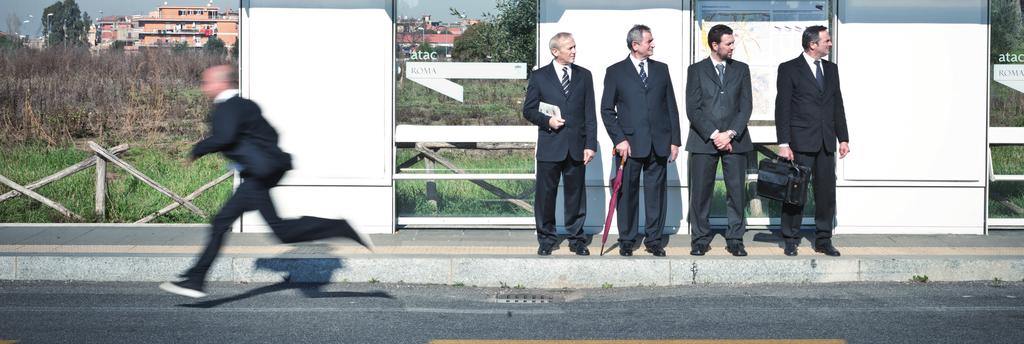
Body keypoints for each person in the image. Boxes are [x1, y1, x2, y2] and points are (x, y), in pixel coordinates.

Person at [160, 65, 374, 298]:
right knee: (226, 223)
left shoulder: (226, 107)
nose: (204, 88)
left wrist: (197, 150)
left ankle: (339, 226)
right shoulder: (247, 105)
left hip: (256, 177)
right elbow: (272, 134)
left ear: (221, 83)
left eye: (207, 83)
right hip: (261, 173)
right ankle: (196, 279)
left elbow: (225, 137)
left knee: (274, 230)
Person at [600, 24, 681, 257]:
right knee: (628, 193)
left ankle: (654, 240)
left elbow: (671, 107)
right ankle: (627, 239)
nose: (653, 44)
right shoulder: (615, 71)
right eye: (649, 41)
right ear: (636, 45)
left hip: (659, 143)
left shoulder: (661, 69)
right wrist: (619, 140)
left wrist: (674, 141)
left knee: (656, 194)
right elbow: (607, 110)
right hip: (630, 146)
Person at [774, 25, 850, 257]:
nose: (830, 43)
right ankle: (790, 238)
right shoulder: (789, 69)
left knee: (826, 194)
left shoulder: (831, 69)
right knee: (796, 193)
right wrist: (784, 143)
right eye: (826, 40)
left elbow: (837, 105)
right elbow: (782, 108)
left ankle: (823, 240)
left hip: (826, 142)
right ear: (812, 44)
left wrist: (843, 138)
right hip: (800, 142)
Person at [522, 32, 598, 256]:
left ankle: (577, 239)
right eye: (570, 48)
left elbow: (589, 114)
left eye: (575, 47)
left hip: (576, 146)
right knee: (546, 195)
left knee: (576, 196)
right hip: (550, 145)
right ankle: (546, 239)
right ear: (555, 51)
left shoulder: (585, 76)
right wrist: (548, 121)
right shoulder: (539, 76)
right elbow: (528, 110)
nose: (574, 51)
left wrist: (590, 145)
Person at [684, 24, 753, 257]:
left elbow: (746, 106)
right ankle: (701, 238)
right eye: (729, 43)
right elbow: (693, 109)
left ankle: (735, 238)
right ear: (715, 45)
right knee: (701, 192)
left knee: (736, 192)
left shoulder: (742, 69)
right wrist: (715, 135)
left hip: (736, 140)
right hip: (704, 140)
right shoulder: (696, 70)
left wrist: (730, 133)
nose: (733, 47)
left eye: (733, 42)